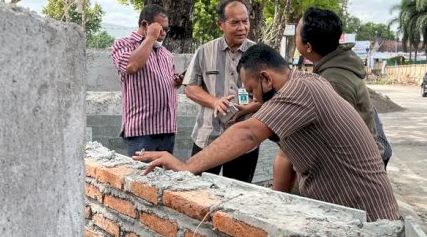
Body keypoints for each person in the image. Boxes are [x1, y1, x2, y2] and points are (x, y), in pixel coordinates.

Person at [136, 44, 401, 221]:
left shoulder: (299, 92)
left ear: (266, 78)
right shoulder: (308, 80)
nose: (252, 98)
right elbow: (286, 155)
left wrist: (186, 166)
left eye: (252, 90)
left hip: (367, 216)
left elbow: (248, 134)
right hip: (347, 210)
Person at [294, 7, 389, 167]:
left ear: (308, 46)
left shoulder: (333, 81)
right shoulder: (335, 67)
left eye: (296, 35)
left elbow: (335, 136)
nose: (294, 38)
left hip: (355, 167)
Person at [182, 0, 261, 183]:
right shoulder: (204, 51)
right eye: (235, 22)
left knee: (237, 195)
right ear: (221, 24)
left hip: (244, 141)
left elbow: (271, 94)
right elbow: (190, 88)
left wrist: (250, 107)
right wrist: (214, 101)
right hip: (208, 137)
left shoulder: (259, 53)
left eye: (245, 21)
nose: (242, 27)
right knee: (198, 193)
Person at [111, 4, 182, 156]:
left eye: (166, 29)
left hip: (167, 130)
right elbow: (132, 66)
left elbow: (164, 81)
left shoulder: (166, 54)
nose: (163, 33)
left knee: (164, 179)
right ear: (145, 25)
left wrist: (176, 81)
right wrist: (150, 37)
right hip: (142, 132)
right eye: (160, 28)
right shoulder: (124, 44)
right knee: (141, 178)